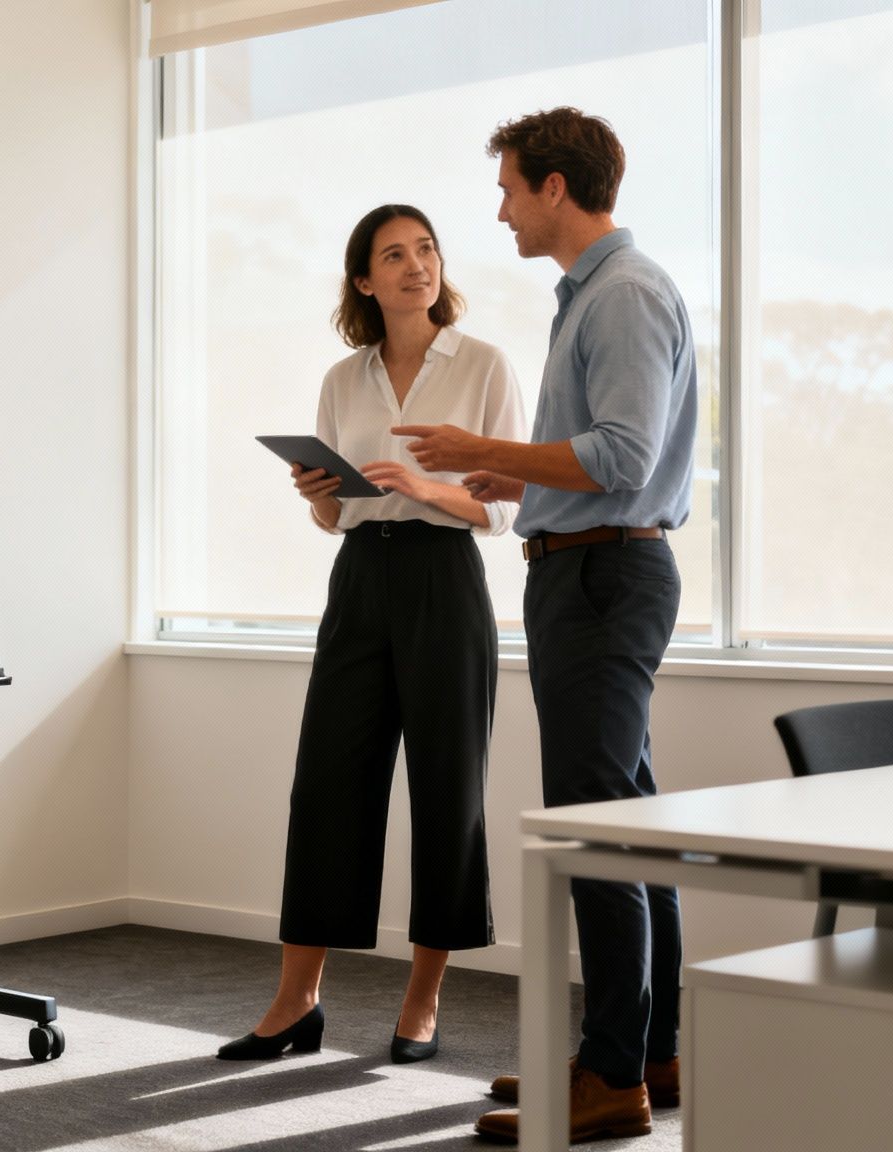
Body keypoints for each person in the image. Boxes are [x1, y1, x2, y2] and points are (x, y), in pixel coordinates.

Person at [390, 108, 698, 1144]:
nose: (500, 208)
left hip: (602, 579)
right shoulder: (597, 294)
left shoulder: (618, 295)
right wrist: (509, 472)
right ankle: (646, 1050)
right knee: (628, 820)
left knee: (595, 829)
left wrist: (487, 447)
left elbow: (616, 455)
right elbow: (601, 460)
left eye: (510, 188)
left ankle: (609, 1079)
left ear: (554, 189)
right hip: (592, 566)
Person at [216, 204, 526, 1066]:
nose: (415, 265)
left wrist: (428, 491)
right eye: (394, 254)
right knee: (326, 789)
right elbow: (332, 515)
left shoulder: (485, 365)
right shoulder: (342, 378)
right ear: (365, 279)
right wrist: (317, 490)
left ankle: (422, 1001)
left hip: (444, 580)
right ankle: (295, 1001)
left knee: (446, 791)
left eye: (425, 249)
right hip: (358, 578)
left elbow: (507, 506)